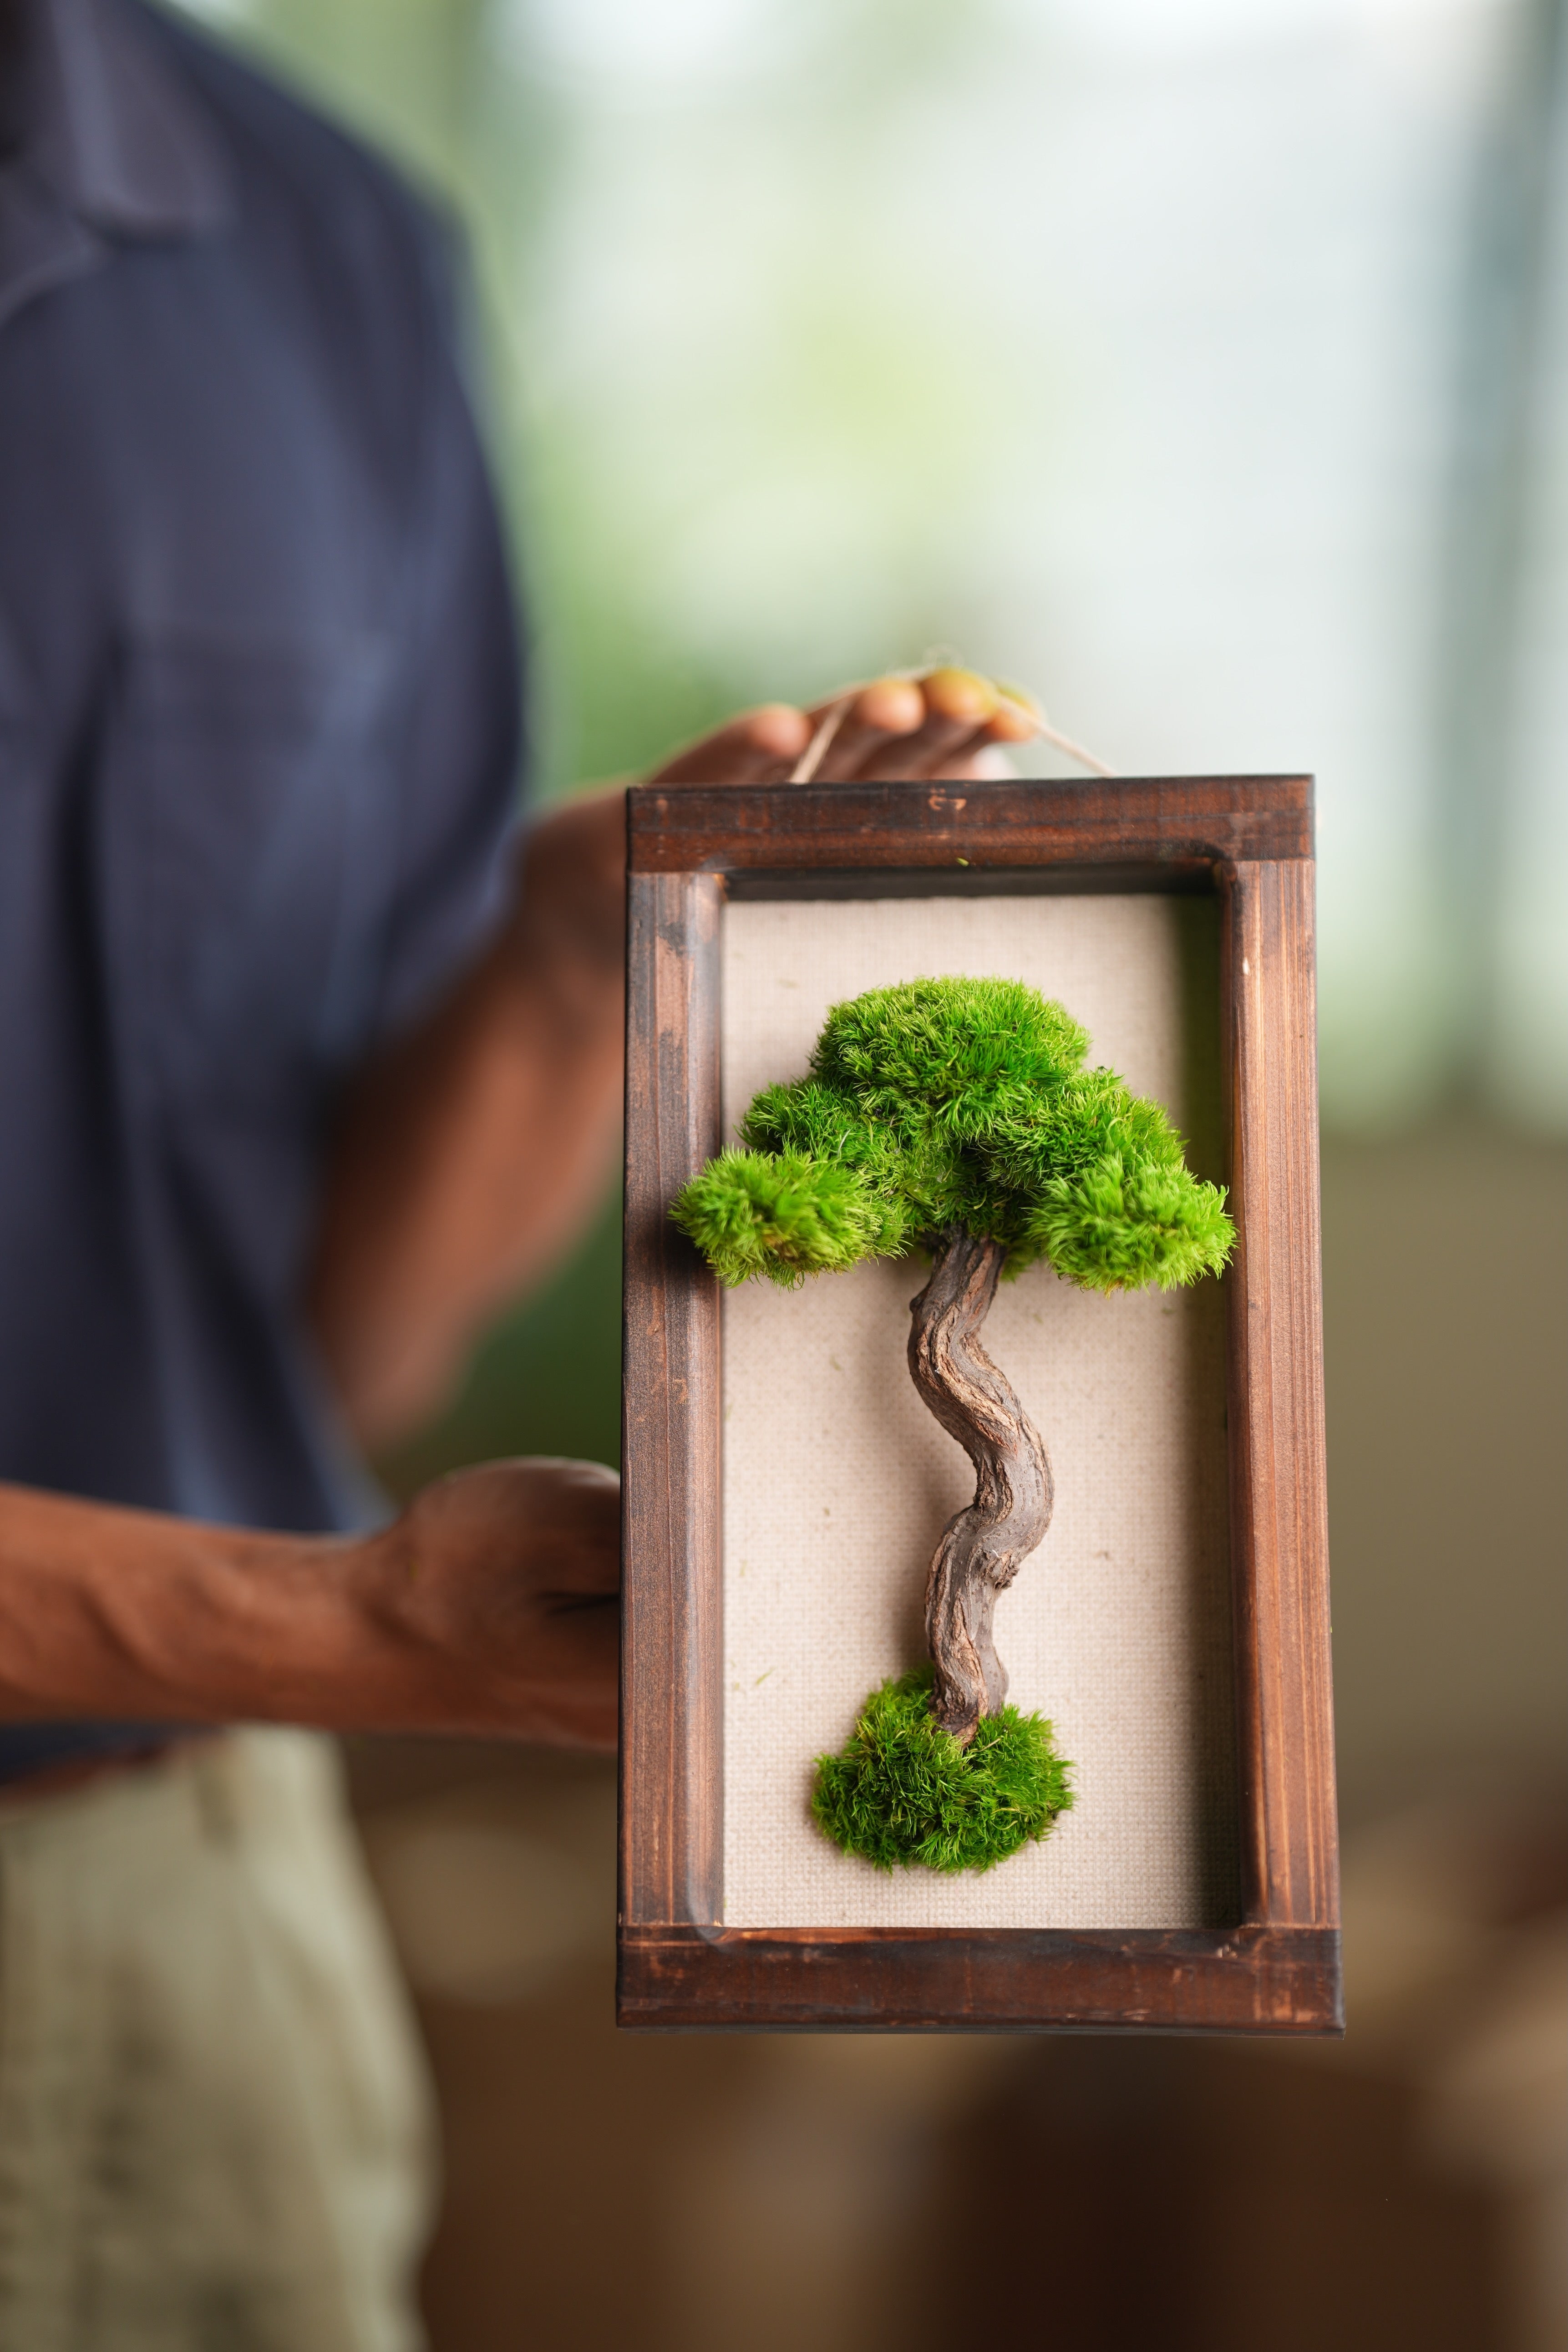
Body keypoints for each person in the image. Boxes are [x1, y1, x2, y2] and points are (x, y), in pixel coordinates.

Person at [0, 0, 1036, 2341]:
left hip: (186, 1911)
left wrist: (576, 967)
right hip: (265, 1686)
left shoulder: (322, 249)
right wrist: (336, 1628)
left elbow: (337, 1345)